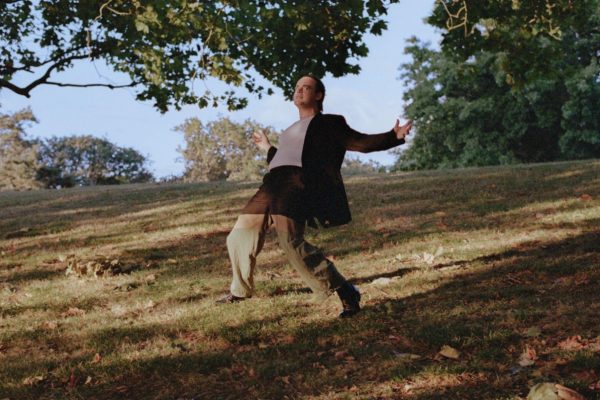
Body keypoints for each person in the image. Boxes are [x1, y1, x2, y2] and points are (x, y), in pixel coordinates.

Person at [217, 75, 412, 318]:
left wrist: (393, 136)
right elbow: (283, 160)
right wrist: (267, 148)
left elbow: (359, 142)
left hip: (297, 185)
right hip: (272, 184)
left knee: (291, 243)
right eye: (297, 87)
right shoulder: (290, 131)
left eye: (306, 87)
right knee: (239, 235)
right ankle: (240, 290)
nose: (299, 91)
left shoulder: (330, 123)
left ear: (319, 95)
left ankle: (345, 290)